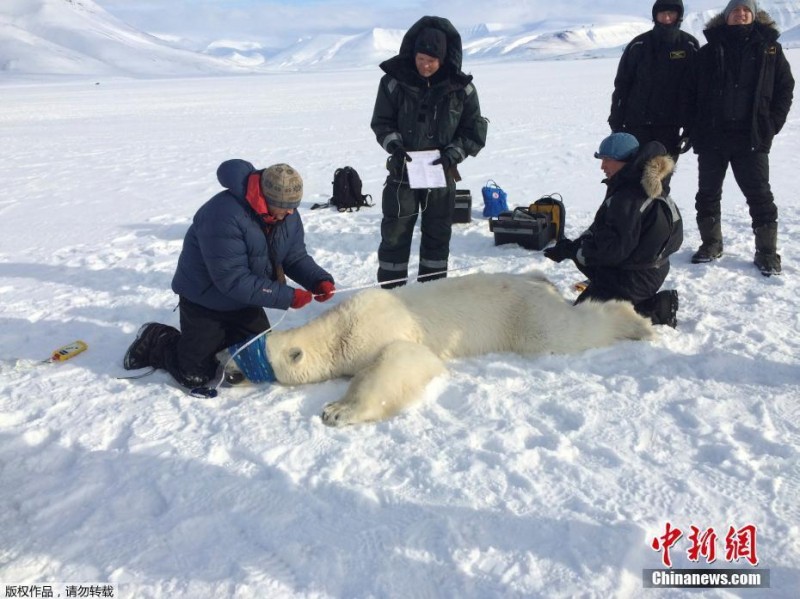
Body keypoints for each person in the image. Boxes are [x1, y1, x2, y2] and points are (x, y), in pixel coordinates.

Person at [123, 160, 335, 388]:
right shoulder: (223, 215)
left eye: (294, 205)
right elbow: (233, 280)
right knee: (197, 376)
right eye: (285, 206)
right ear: (266, 199)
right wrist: (288, 297)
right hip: (205, 300)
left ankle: (220, 341)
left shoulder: (286, 214)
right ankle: (158, 339)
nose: (291, 212)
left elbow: (294, 256)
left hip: (246, 299)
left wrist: (318, 280)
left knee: (258, 365)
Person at [371, 15, 487, 288]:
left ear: (443, 59)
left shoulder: (462, 89)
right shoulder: (393, 82)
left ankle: (430, 296)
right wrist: (395, 146)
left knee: (437, 236)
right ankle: (391, 295)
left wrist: (452, 155)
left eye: (431, 61)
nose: (425, 65)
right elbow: (382, 122)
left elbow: (473, 132)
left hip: (440, 173)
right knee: (395, 235)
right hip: (403, 171)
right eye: (421, 58)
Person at [688, 0, 794, 276]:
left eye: (746, 10)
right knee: (708, 194)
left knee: (759, 195)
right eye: (735, 10)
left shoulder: (770, 48)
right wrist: (695, 127)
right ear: (727, 16)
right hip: (713, 136)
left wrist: (771, 124)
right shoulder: (709, 51)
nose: (741, 14)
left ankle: (767, 252)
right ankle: (711, 244)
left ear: (754, 14)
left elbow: (785, 87)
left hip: (751, 136)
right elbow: (691, 93)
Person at [544, 133, 683, 327]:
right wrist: (572, 248)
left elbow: (612, 251)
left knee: (581, 318)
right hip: (650, 267)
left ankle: (654, 309)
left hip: (635, 276)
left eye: (607, 160)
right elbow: (604, 232)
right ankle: (615, 293)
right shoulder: (637, 182)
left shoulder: (629, 197)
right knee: (584, 256)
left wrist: (574, 251)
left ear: (625, 161)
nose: (603, 166)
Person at [608, 0, 699, 192]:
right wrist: (616, 122)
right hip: (635, 125)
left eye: (671, 13)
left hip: (669, 128)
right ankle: (624, 219)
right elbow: (622, 86)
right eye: (662, 13)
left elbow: (696, 90)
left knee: (659, 180)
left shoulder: (689, 45)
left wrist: (691, 129)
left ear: (679, 16)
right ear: (655, 15)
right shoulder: (639, 45)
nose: (666, 18)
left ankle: (656, 219)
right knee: (627, 177)